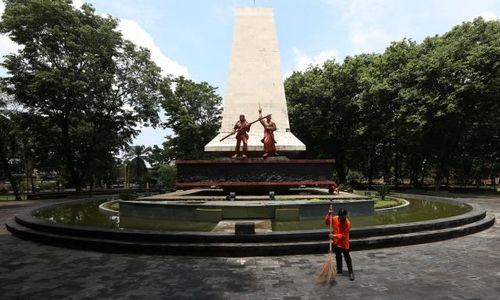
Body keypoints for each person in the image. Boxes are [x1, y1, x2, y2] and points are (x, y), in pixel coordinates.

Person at [325, 208, 355, 280]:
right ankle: (339, 269)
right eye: (340, 216)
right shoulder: (335, 218)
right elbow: (327, 222)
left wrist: (333, 236)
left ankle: (351, 272)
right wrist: (329, 214)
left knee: (347, 257)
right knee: (338, 256)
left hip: (344, 243)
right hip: (336, 243)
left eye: (343, 216)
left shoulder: (347, 223)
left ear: (345, 215)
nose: (341, 218)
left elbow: (343, 235)